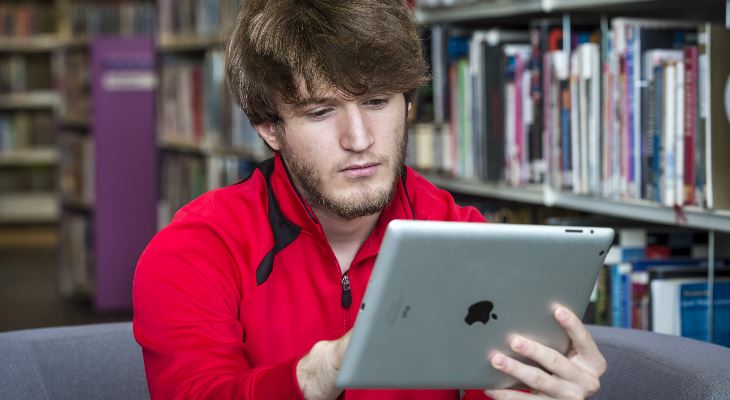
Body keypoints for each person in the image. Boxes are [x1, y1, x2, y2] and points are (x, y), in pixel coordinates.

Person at [132, 0, 607, 399]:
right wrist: (319, 371)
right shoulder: (194, 251)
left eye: (378, 102)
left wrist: (541, 388)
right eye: (320, 112)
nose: (359, 139)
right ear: (268, 126)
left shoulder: (463, 234)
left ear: (408, 104)